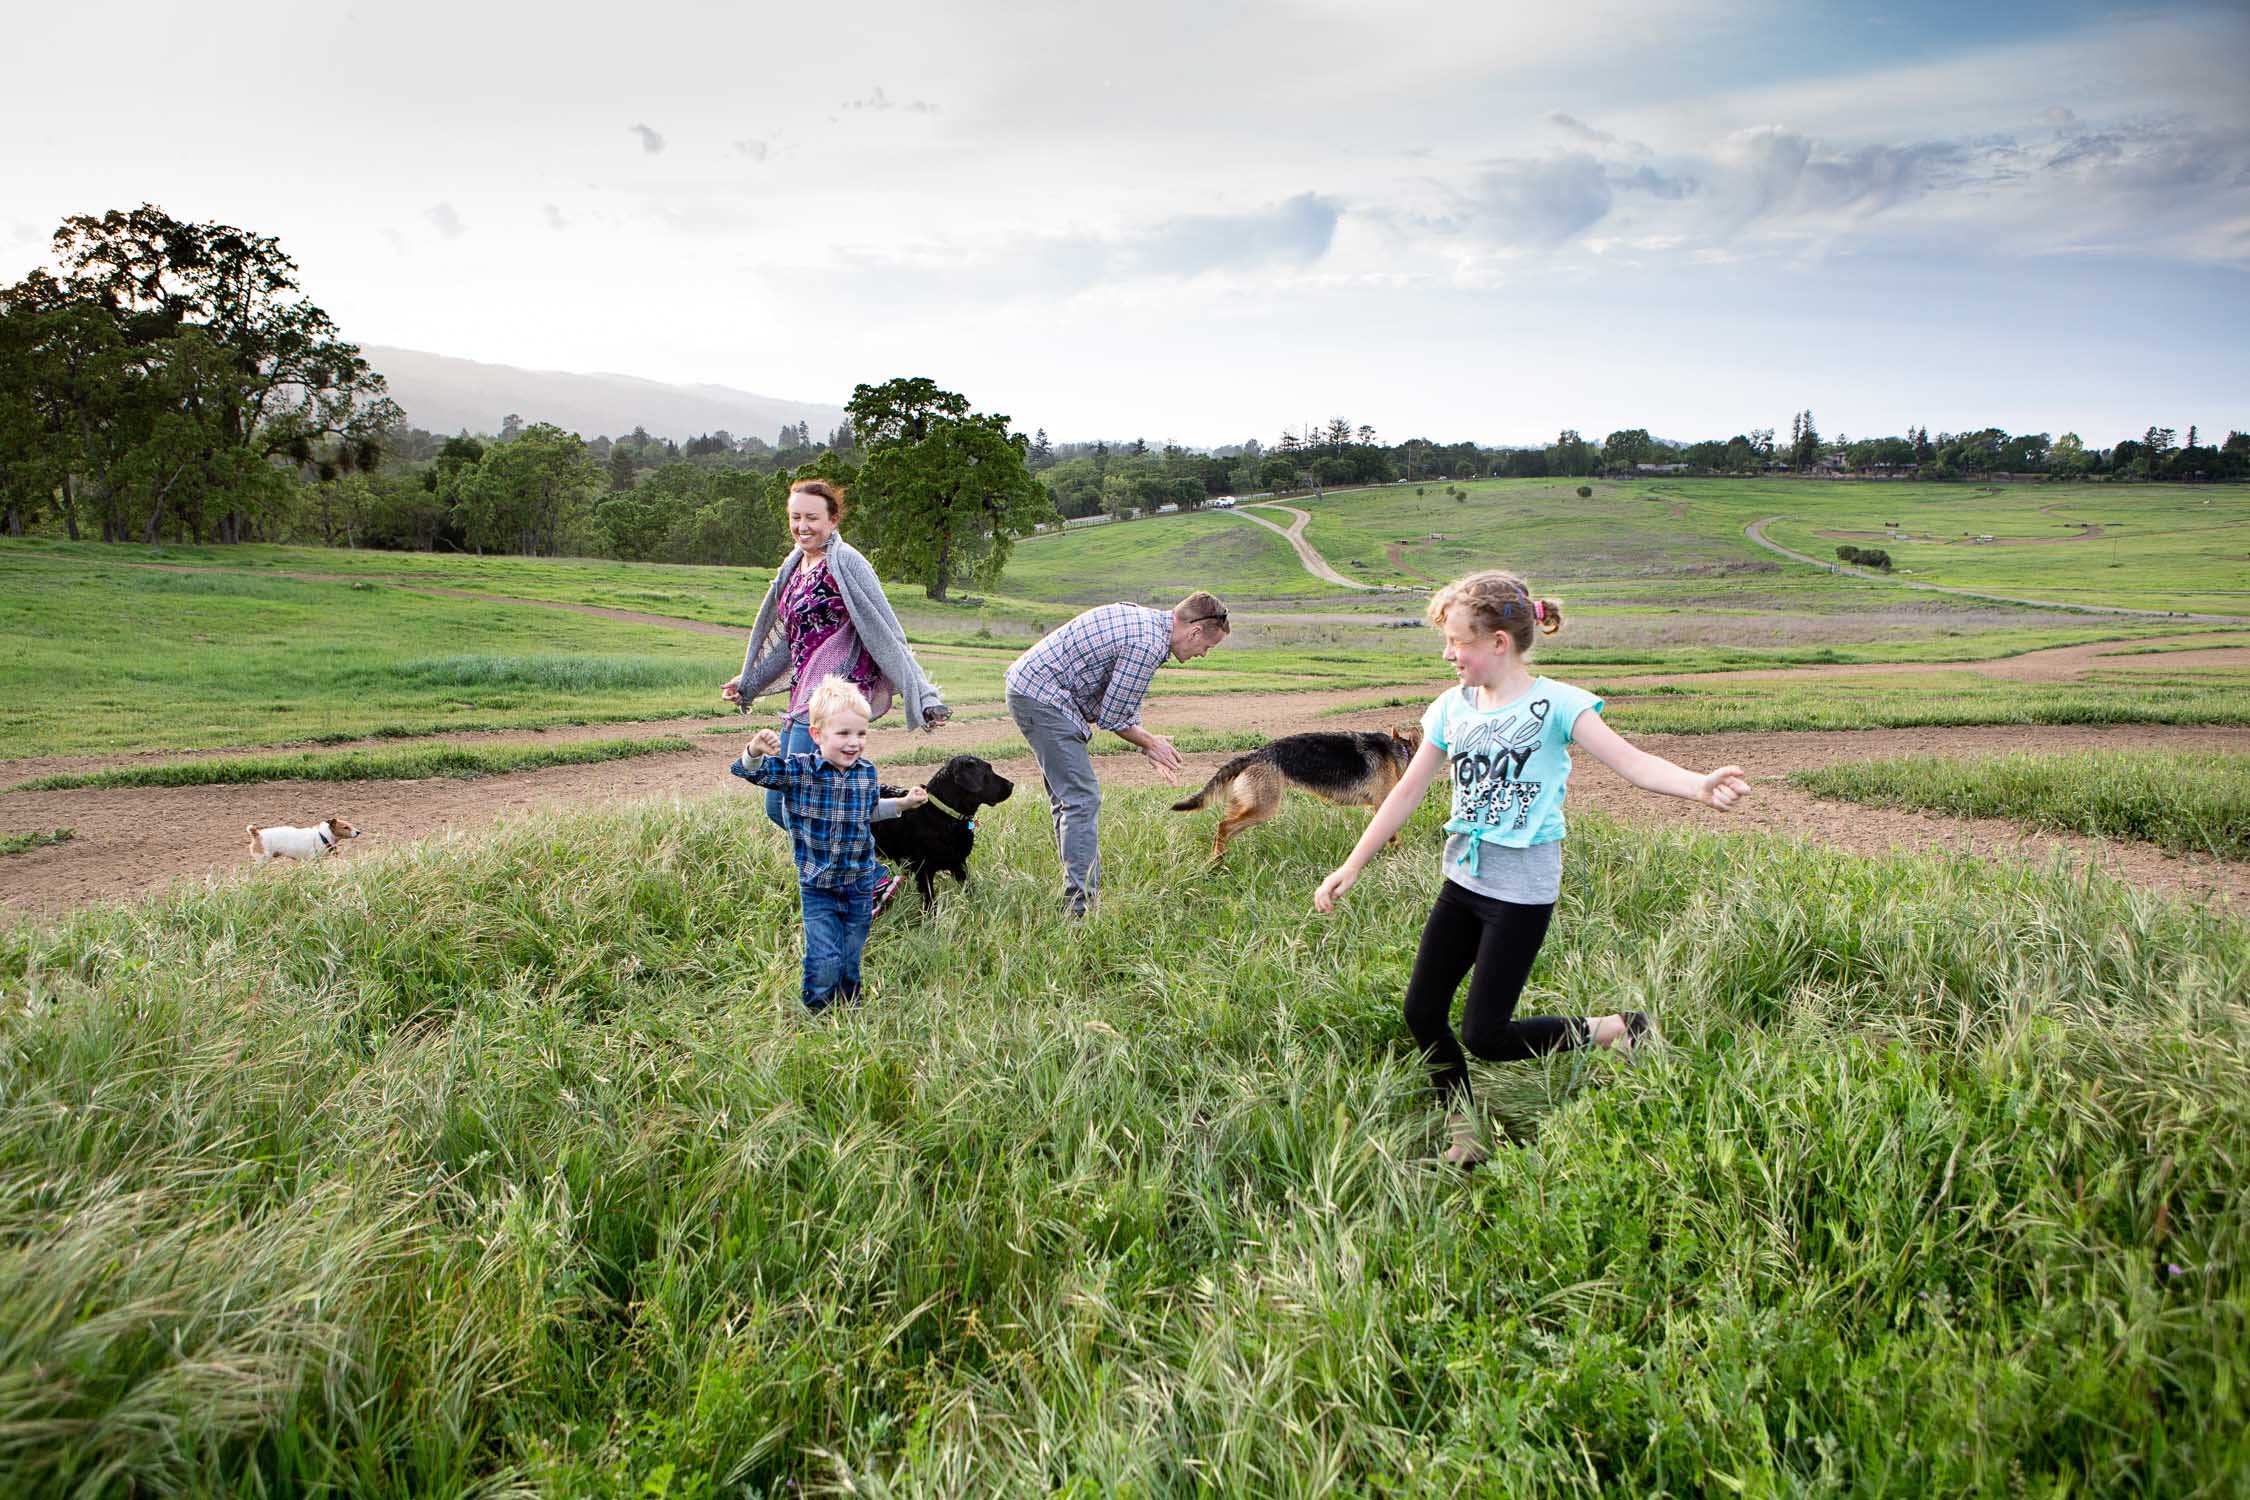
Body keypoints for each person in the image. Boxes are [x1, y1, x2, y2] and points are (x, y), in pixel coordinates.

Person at [1312, 570, 1749, 1167]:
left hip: (1521, 893)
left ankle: (1616, 1029)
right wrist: (1351, 865)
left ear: (1498, 642)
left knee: (1486, 1035)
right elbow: (1406, 792)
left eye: (1458, 642)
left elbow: (1634, 764)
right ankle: (1464, 1133)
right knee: (1421, 1011)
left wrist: (1698, 785)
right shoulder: (1450, 708)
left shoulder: (1559, 705)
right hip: (1463, 880)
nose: (1448, 654)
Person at [721, 478, 949, 844]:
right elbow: (790, 645)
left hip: (834, 699)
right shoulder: (795, 567)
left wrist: (923, 694)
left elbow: (886, 631)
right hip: (802, 699)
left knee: (797, 804)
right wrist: (749, 681)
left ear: (833, 520)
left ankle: (869, 876)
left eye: (812, 517)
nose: (802, 526)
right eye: (795, 517)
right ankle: (870, 863)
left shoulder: (846, 563)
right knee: (778, 806)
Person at [1004, 591, 1231, 916]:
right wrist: (1150, 743)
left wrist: (1146, 741)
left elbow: (1116, 706)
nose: (1204, 654)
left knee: (1069, 801)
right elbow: (1114, 717)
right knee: (1081, 800)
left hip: (1032, 689)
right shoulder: (1147, 645)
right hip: (1042, 697)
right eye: (1207, 646)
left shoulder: (1146, 623)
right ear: (1194, 632)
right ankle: (1080, 911)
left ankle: (1074, 898)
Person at [733, 675, 928, 1013]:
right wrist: (754, 752)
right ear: (816, 734)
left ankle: (849, 1007)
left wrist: (902, 805)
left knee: (851, 956)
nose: (854, 742)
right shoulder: (799, 771)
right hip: (818, 887)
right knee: (825, 958)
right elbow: (753, 773)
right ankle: (819, 1012)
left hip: (858, 883)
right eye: (844, 734)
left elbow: (867, 811)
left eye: (861, 733)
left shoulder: (865, 773)